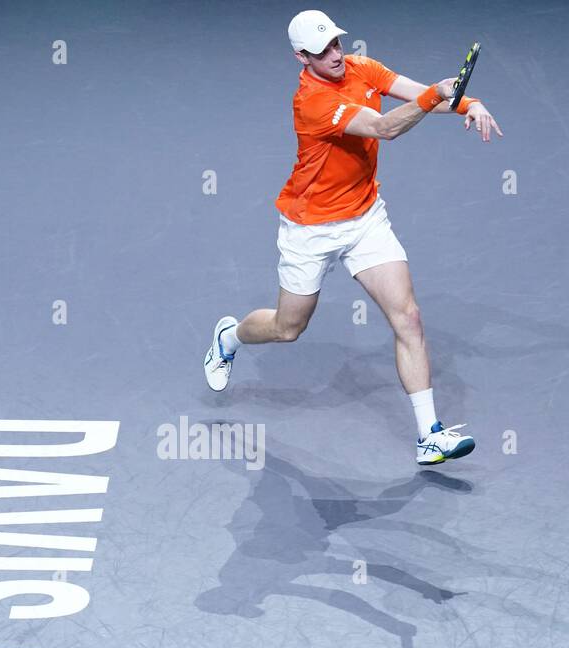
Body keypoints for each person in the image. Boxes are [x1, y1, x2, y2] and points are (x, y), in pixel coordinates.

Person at [203, 9, 502, 466]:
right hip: (311, 228)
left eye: (337, 43)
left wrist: (467, 102)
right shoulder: (312, 103)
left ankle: (430, 434)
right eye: (323, 51)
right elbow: (386, 127)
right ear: (301, 57)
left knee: (409, 318)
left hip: (365, 219)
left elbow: (420, 95)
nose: (336, 55)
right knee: (288, 328)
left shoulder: (362, 67)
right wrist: (436, 97)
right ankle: (230, 337)